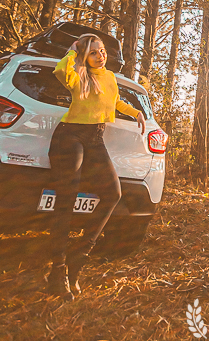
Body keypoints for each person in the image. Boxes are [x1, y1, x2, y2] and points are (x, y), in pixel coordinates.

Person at [44, 33, 144, 298]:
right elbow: (60, 71)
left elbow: (115, 102)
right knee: (67, 198)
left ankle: (78, 258)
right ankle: (58, 269)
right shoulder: (78, 76)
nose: (100, 56)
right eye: (93, 53)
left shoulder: (109, 77)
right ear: (84, 57)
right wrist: (72, 50)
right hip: (70, 136)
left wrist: (135, 112)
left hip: (95, 138)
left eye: (102, 51)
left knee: (113, 193)